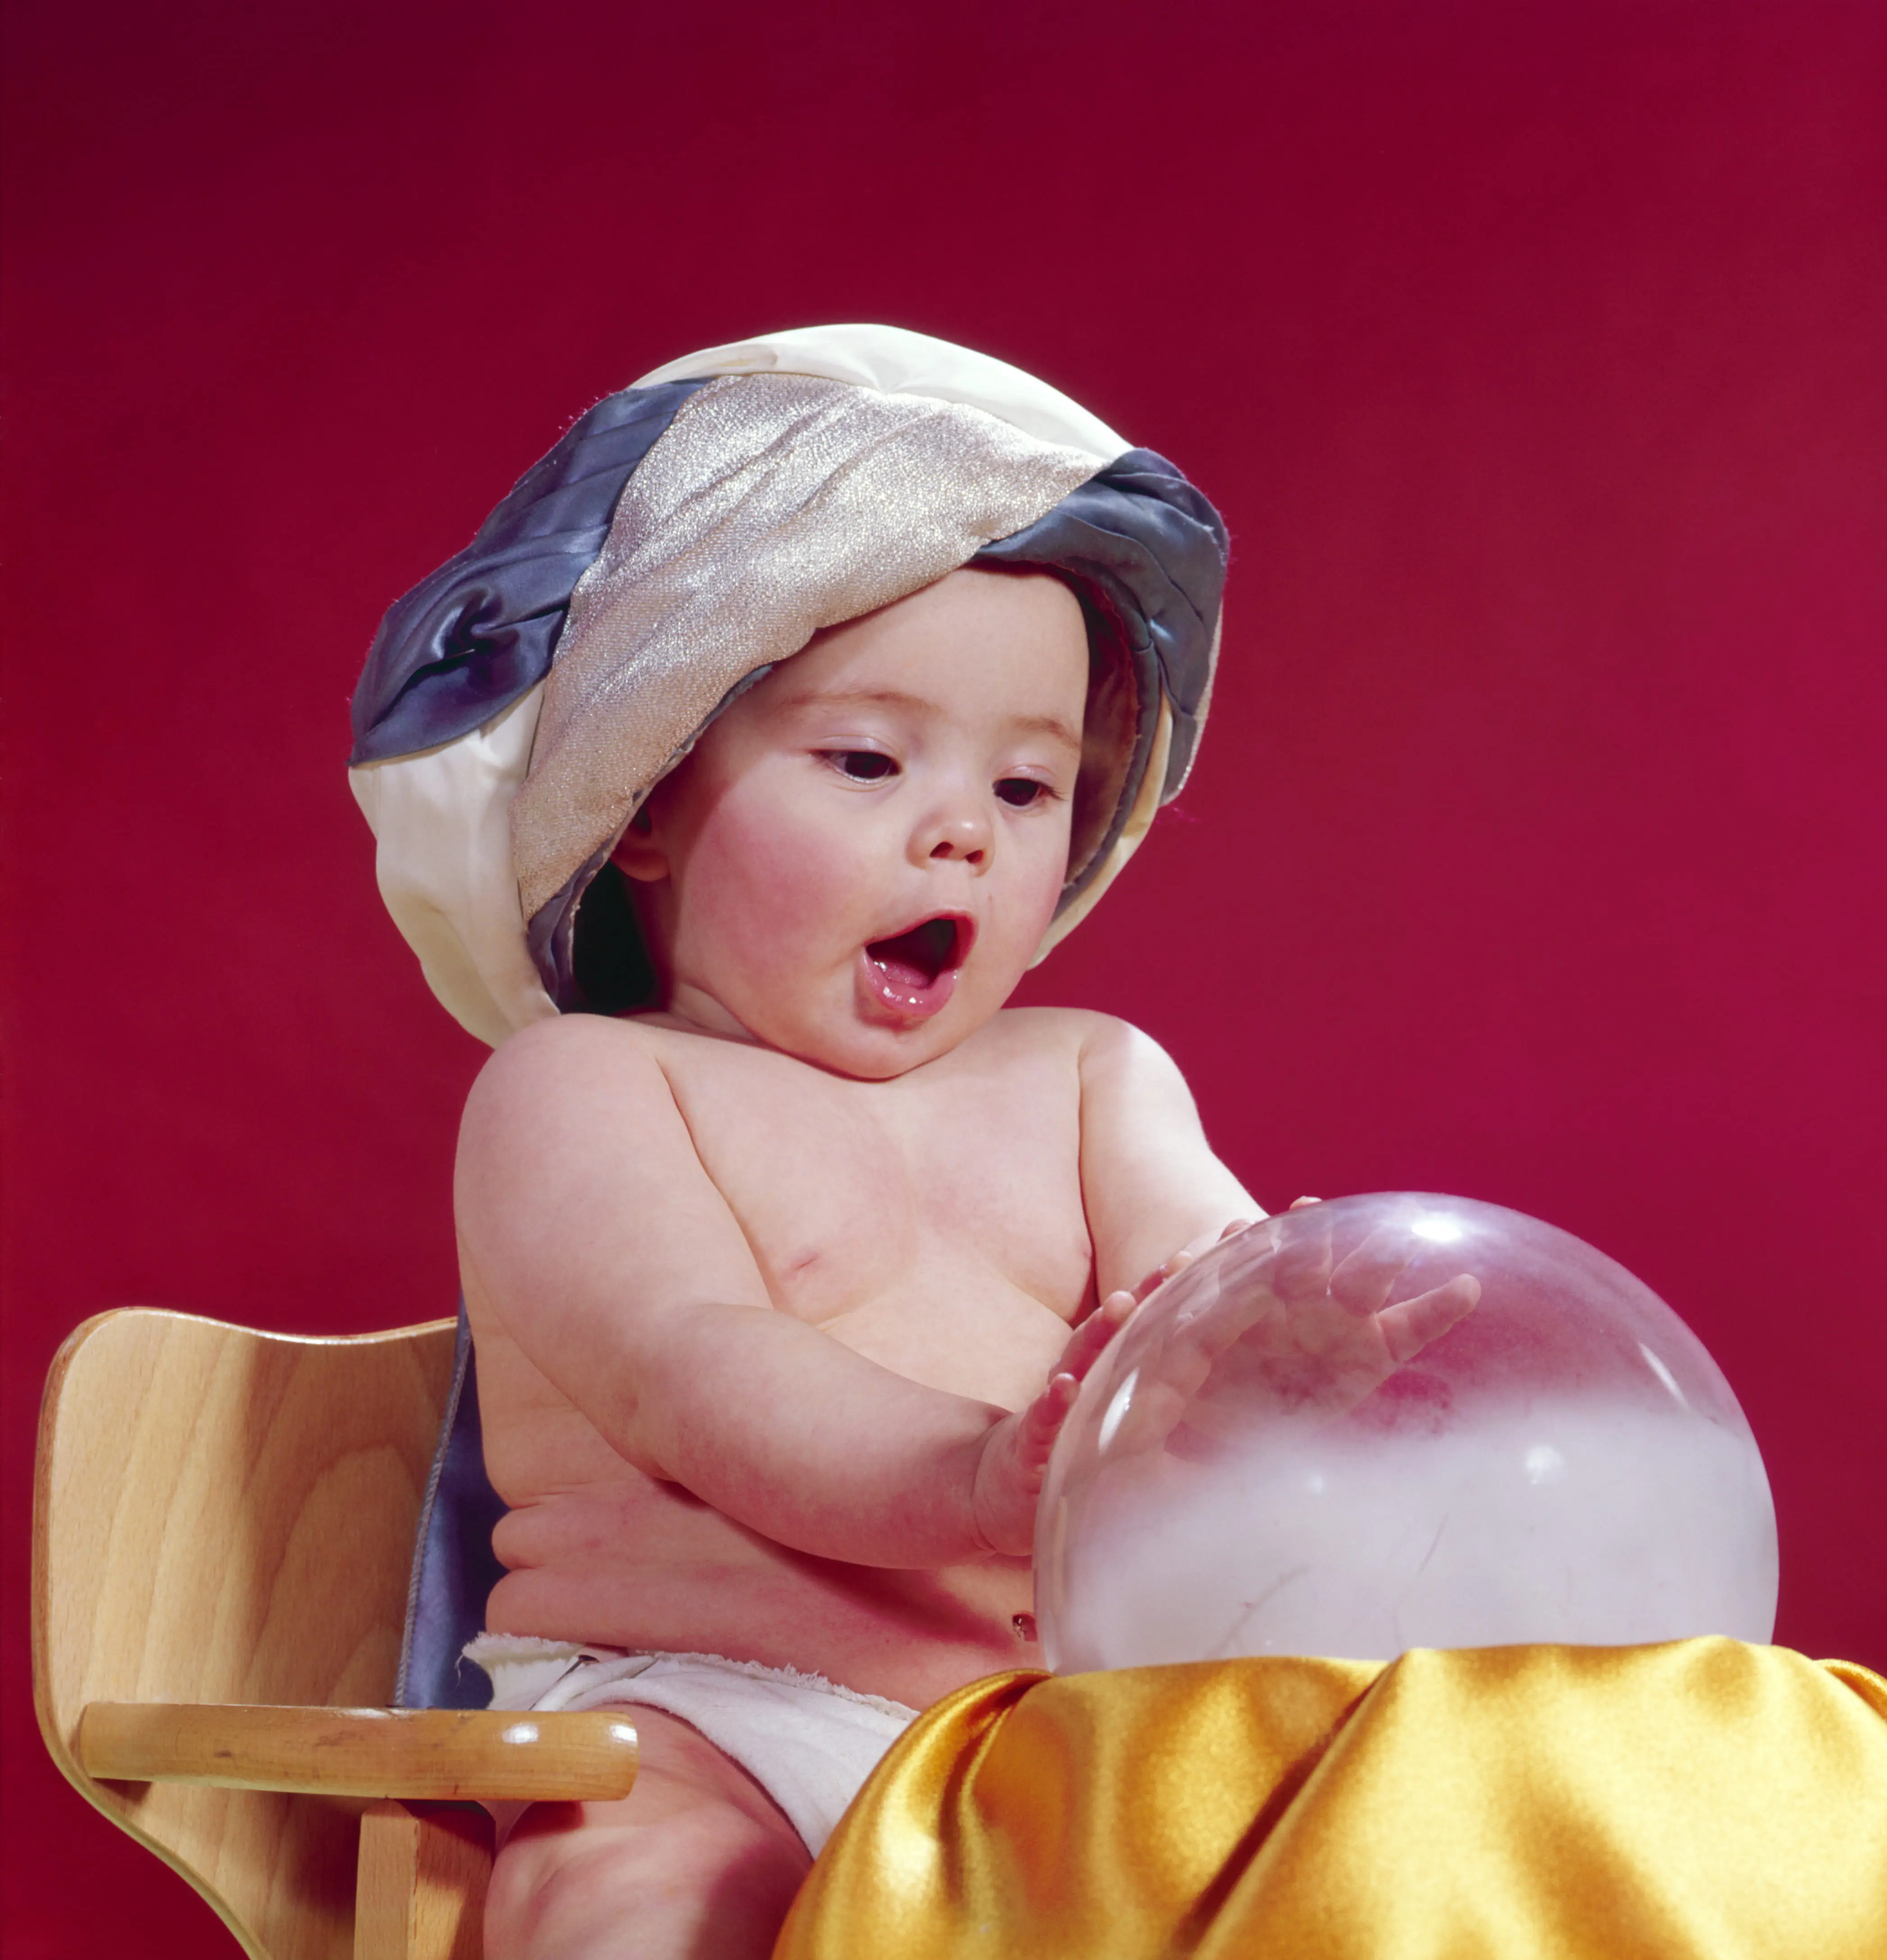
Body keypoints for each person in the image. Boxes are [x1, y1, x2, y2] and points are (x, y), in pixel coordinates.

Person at [347, 325, 1465, 1959]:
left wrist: (1260, 1351)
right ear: (646, 811)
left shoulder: (1094, 1076)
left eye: (1027, 788)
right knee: (628, 1894)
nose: (960, 827)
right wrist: (980, 1477)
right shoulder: (589, 1089)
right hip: (713, 1713)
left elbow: (1193, 1290)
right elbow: (695, 1366)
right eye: (867, 760)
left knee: (1371, 1860)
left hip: (1066, 1741)